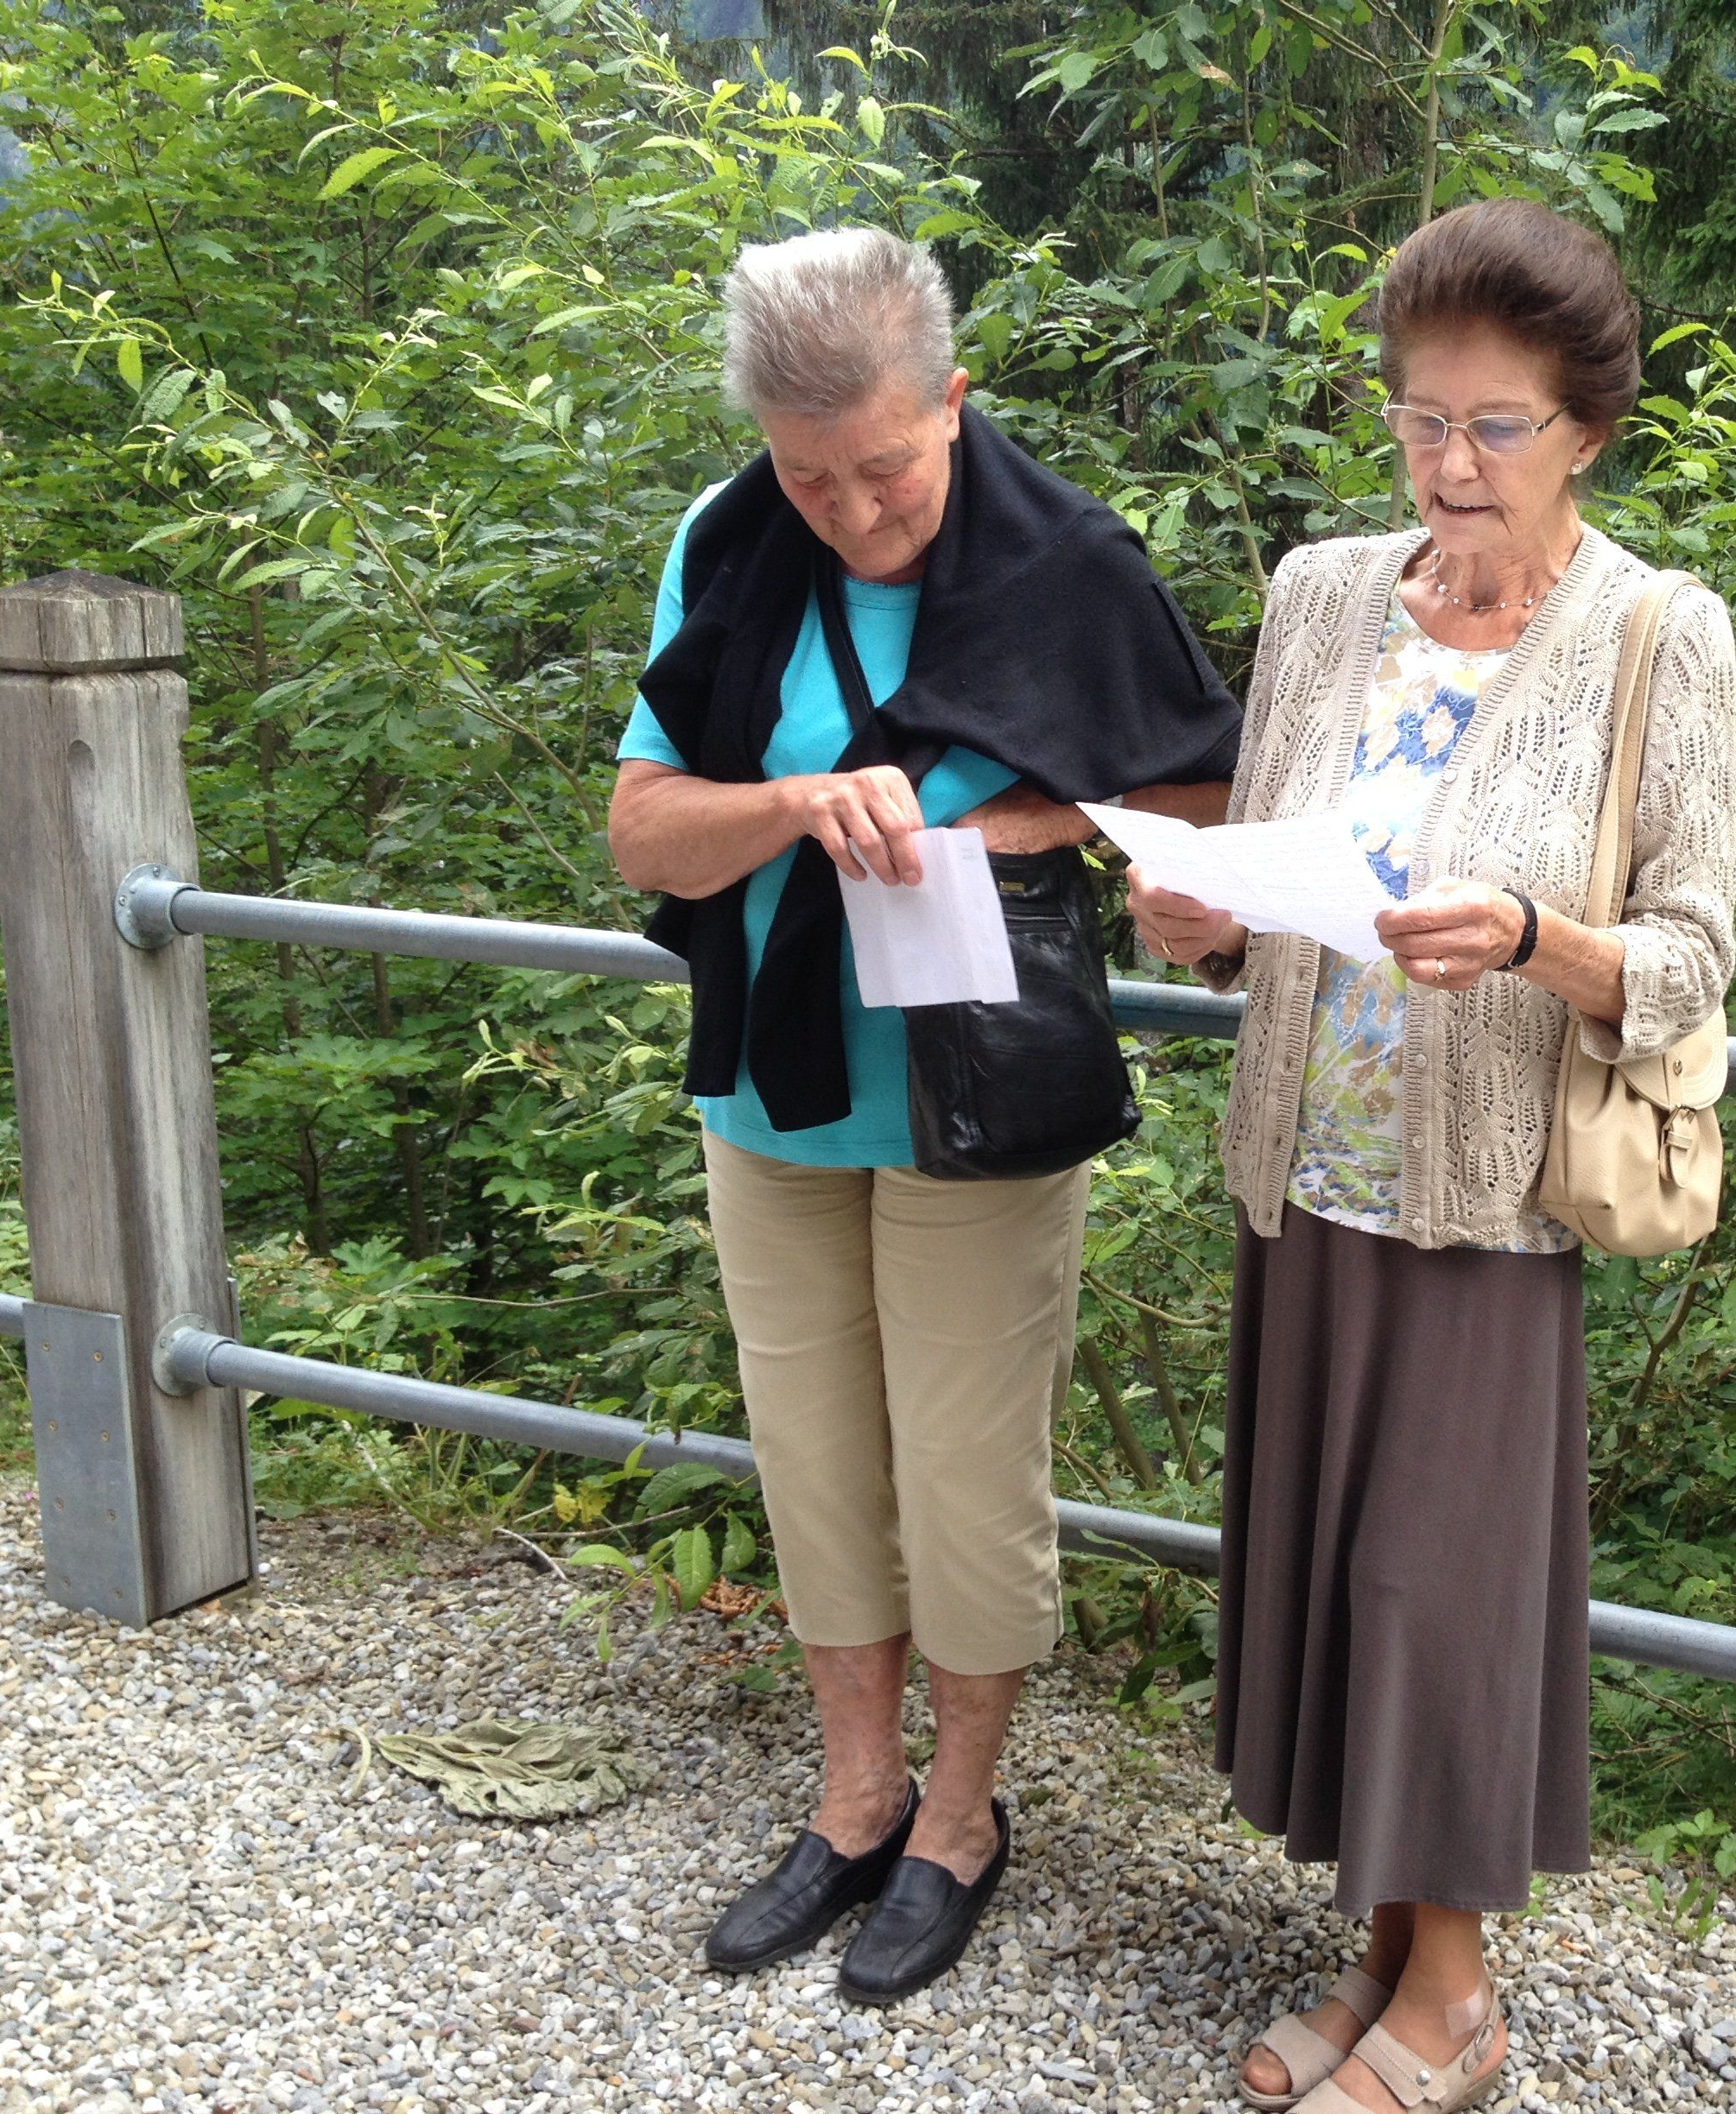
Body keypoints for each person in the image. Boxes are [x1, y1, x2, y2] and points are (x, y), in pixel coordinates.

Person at [1129, 198, 1736, 2114]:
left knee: (1432, 1590)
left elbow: (1694, 957)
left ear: (1588, 431)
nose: (1450, 463)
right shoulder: (1322, 593)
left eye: (1497, 426)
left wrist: (1539, 941)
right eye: (1420, 419)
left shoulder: (1656, 631)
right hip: (1306, 1173)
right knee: (1337, 1571)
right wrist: (1199, 918)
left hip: (1487, 1204)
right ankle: (1388, 1952)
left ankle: (1458, 2000)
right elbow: (1263, 877)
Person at [608, 227, 1238, 2006]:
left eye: (883, 467)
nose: (851, 513)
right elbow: (644, 828)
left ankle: (960, 1819)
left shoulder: (1070, 562)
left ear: (954, 400)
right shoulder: (728, 541)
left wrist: (1008, 831)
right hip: (775, 1091)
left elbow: (1201, 792)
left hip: (984, 1092)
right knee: (816, 1462)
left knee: (967, 1477)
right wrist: (794, 806)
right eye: (809, 476)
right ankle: (854, 1797)